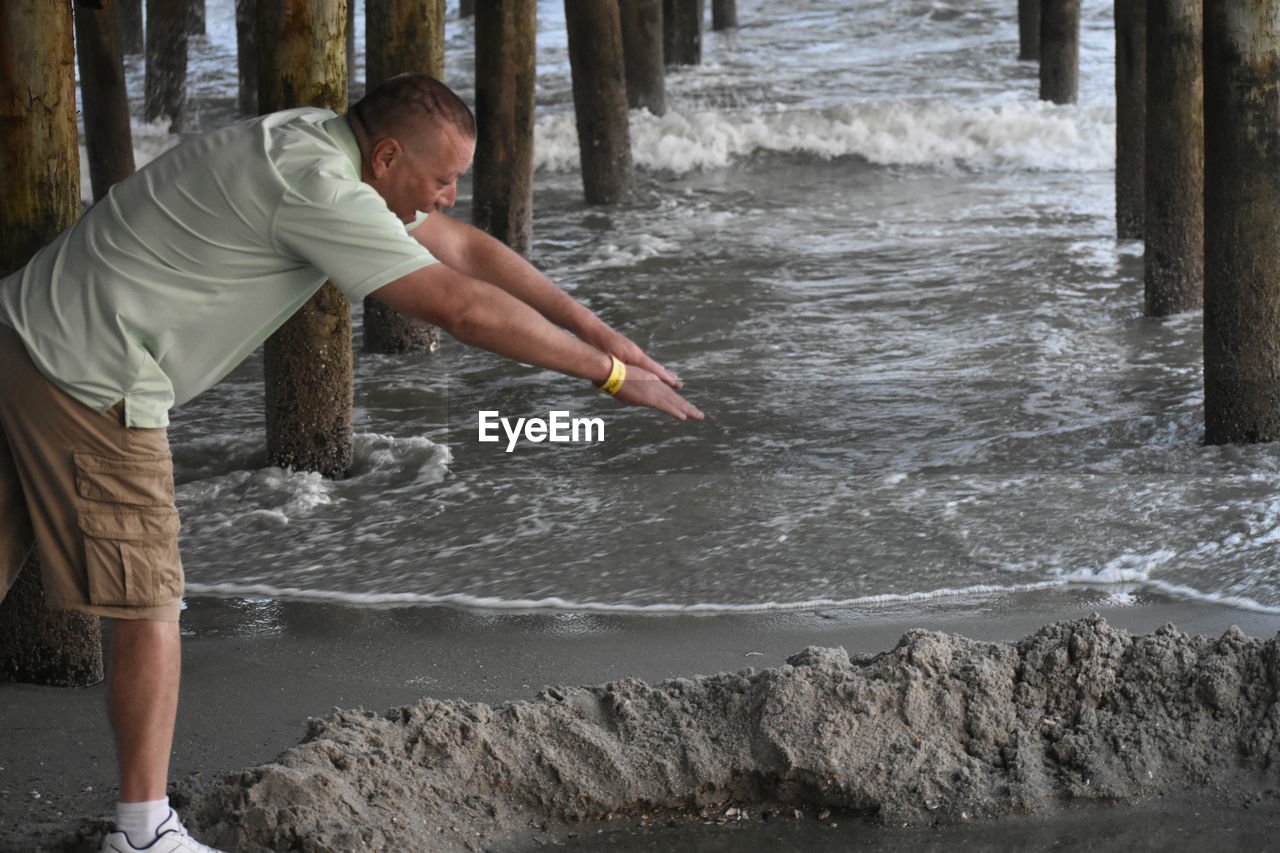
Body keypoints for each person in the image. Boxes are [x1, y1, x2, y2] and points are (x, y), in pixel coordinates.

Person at [0, 73, 702, 853]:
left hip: (24, 323)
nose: (446, 197)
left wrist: (601, 333)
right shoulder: (322, 191)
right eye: (440, 179)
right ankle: (143, 834)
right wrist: (605, 378)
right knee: (149, 600)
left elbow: (465, 248)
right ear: (389, 156)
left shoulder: (309, 138)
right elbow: (458, 305)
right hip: (92, 372)